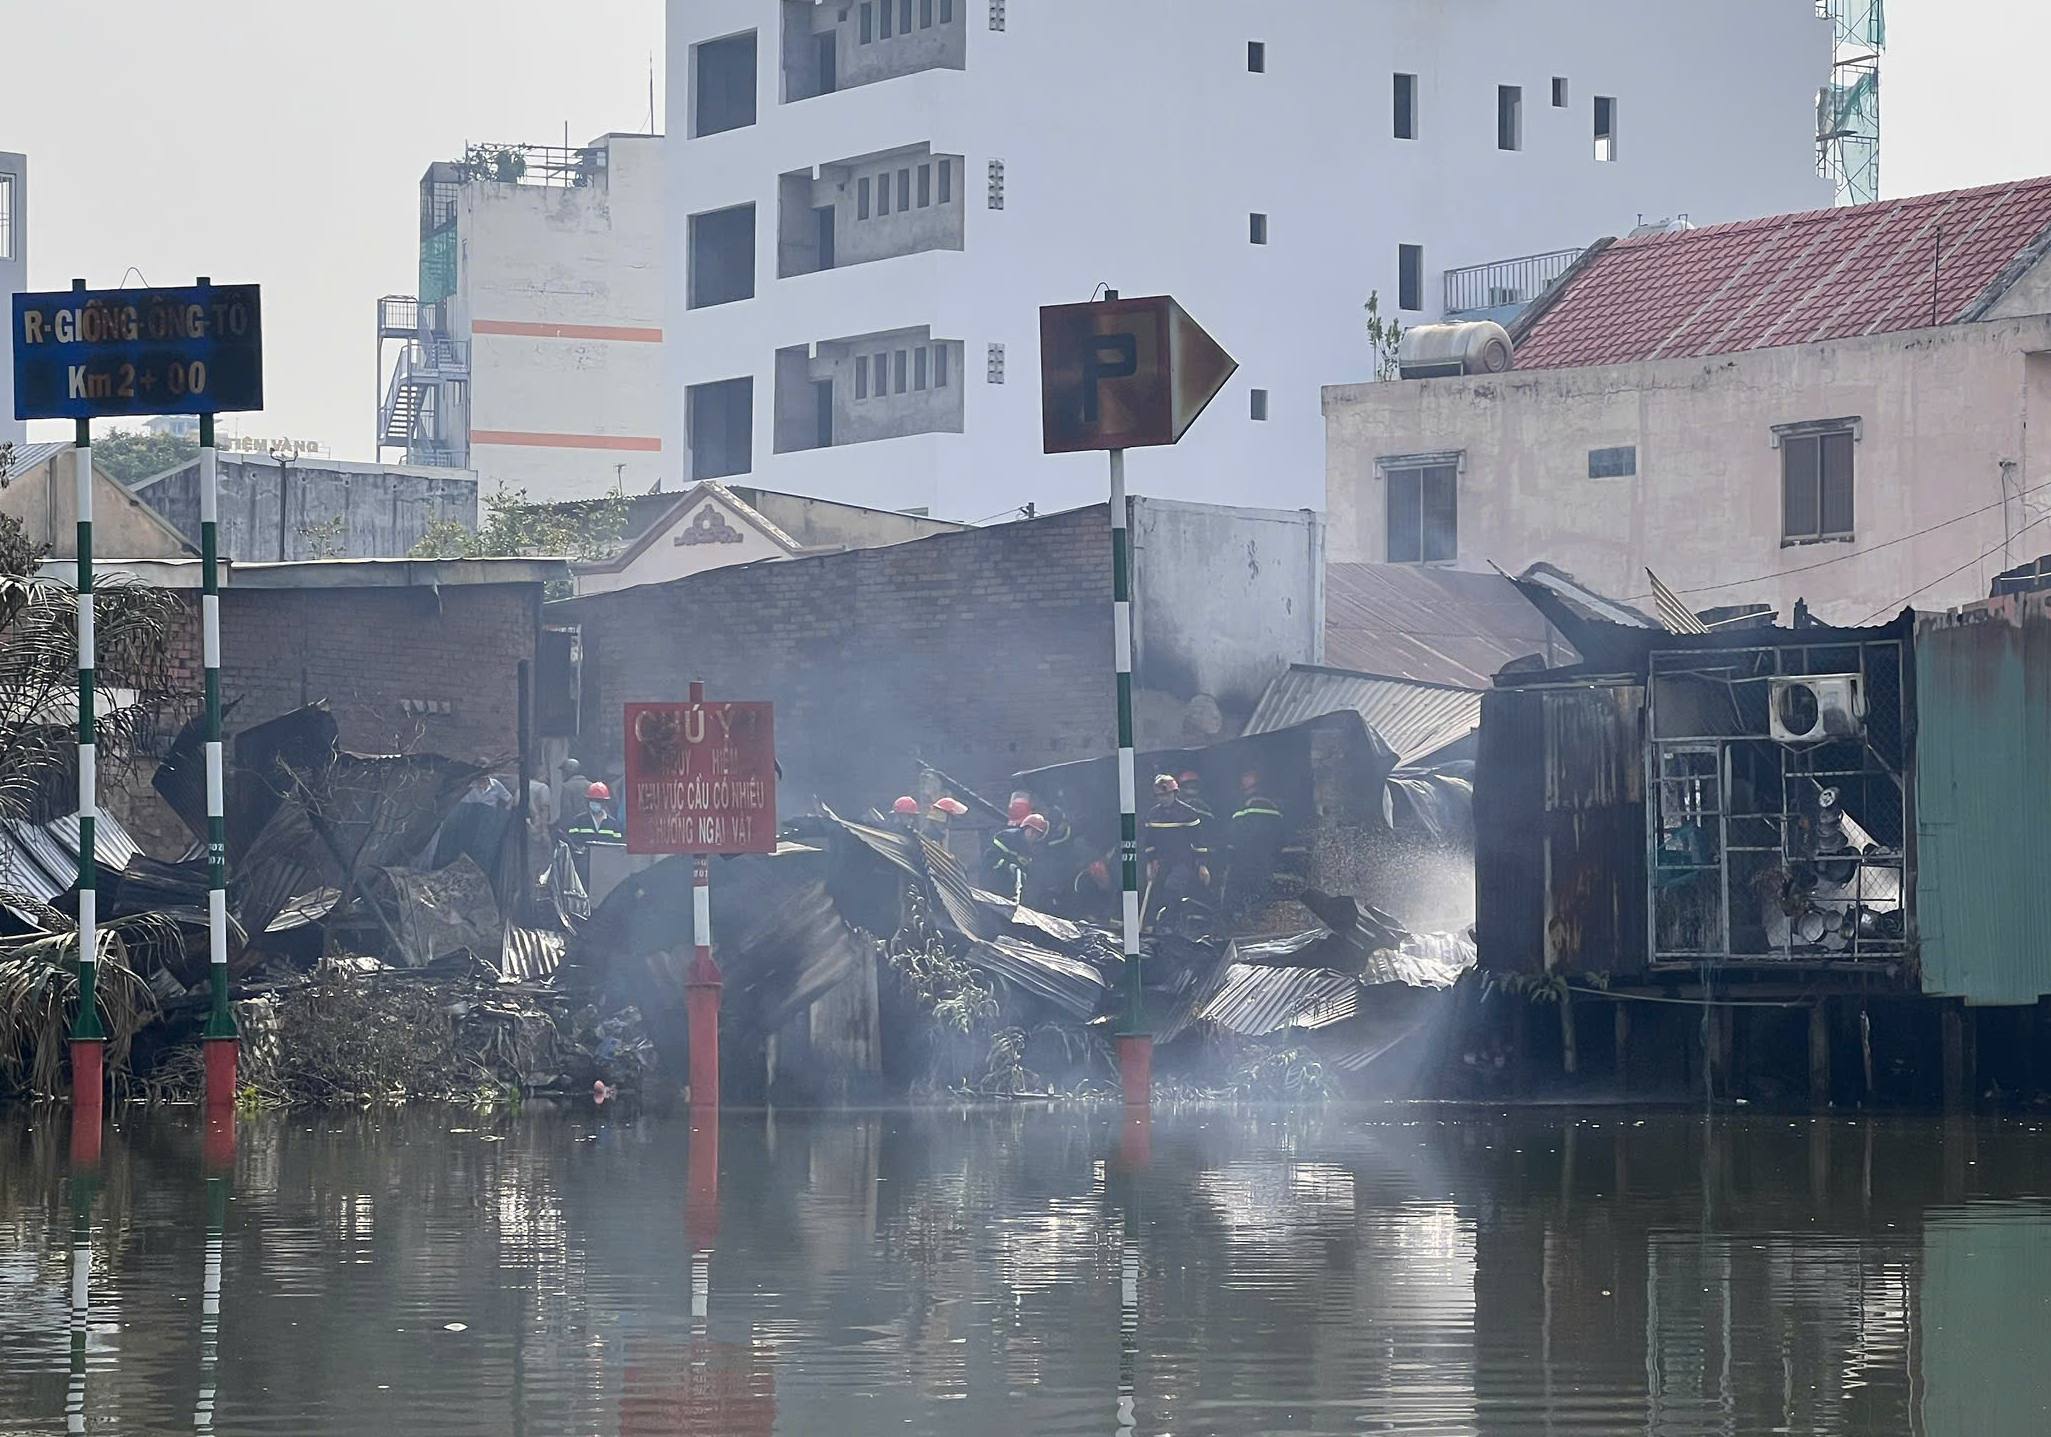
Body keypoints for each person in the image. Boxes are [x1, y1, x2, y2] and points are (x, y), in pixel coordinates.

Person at [1143, 774, 1208, 921]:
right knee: (1155, 891)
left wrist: (1202, 866)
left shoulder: (1188, 813)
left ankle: (1171, 921)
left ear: (1175, 793)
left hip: (1184, 861)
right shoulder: (1153, 814)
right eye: (1160, 795)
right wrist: (1150, 862)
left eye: (1166, 795)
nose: (1163, 798)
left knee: (1172, 887)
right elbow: (1149, 842)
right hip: (1162, 862)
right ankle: (1153, 924)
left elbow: (1199, 842)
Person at [1226, 770, 1286, 911]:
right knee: (1264, 888)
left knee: (1243, 888)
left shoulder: (1244, 806)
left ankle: (1247, 915)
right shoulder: (1274, 806)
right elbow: (1282, 835)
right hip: (1269, 857)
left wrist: (1230, 850)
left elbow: (1235, 833)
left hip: (1247, 857)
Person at [986, 811, 1048, 902]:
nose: (1032, 835)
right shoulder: (1007, 838)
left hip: (1012, 890)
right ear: (1025, 828)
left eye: (1036, 834)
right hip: (994, 882)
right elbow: (990, 859)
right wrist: (1008, 865)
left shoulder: (1032, 850)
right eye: (1031, 831)